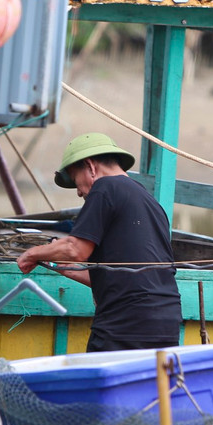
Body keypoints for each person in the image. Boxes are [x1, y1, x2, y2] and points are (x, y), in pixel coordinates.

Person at [16, 132, 182, 352]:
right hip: (165, 320)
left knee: (98, 385)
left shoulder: (105, 188)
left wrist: (33, 253)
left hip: (126, 321)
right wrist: (61, 266)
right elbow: (114, 277)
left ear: (90, 167)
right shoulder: (148, 200)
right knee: (149, 386)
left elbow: (76, 249)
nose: (78, 192)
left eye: (76, 180)